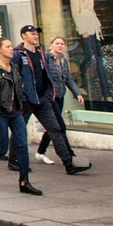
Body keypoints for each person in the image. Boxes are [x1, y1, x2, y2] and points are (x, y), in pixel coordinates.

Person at [15, 25, 92, 175]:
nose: (36, 36)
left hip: (44, 98)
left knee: (56, 129)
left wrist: (54, 93)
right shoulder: (20, 54)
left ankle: (69, 164)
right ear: (24, 35)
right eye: (32, 34)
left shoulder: (41, 54)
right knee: (19, 128)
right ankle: (13, 159)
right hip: (28, 99)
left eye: (37, 34)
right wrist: (22, 95)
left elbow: (62, 78)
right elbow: (16, 77)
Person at [0, 37, 40, 195]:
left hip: (16, 111)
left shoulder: (14, 66)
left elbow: (19, 88)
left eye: (11, 46)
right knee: (1, 148)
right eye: (7, 47)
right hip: (0, 112)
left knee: (22, 146)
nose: (11, 49)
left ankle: (24, 181)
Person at [38, 36, 86, 167]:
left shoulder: (63, 60)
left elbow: (68, 79)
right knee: (58, 127)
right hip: (49, 97)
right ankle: (68, 155)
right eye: (57, 43)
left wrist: (77, 93)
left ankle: (41, 152)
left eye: (62, 44)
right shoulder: (46, 57)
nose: (60, 46)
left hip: (59, 96)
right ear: (51, 45)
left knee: (53, 127)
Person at [69, 0, 111, 99]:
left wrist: (97, 25)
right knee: (89, 56)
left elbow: (90, 9)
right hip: (85, 25)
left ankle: (106, 93)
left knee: (99, 59)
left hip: (92, 24)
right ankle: (78, 79)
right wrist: (83, 30)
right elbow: (75, 11)